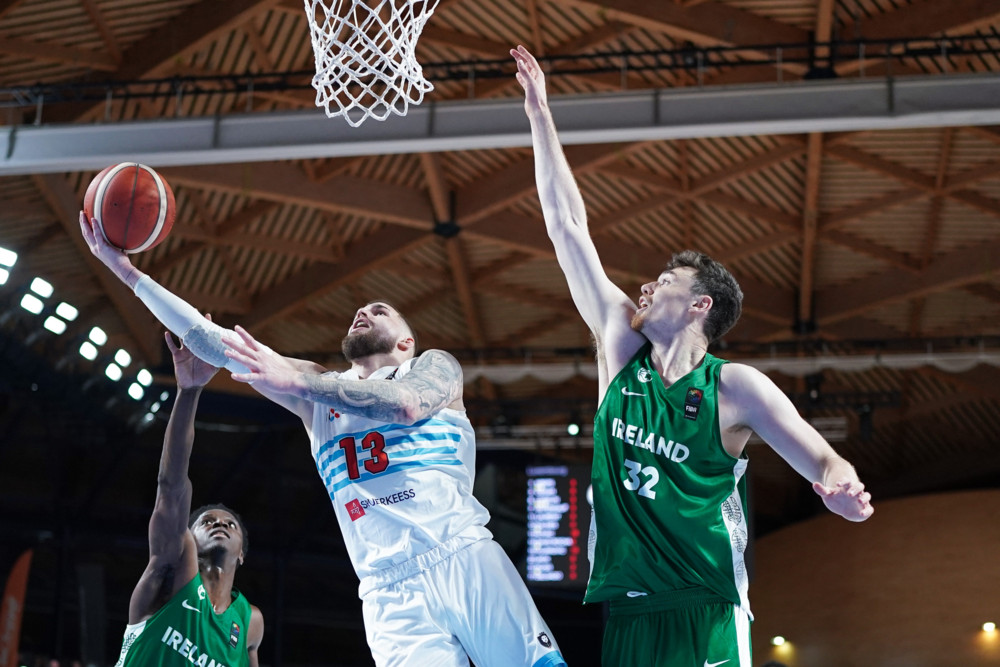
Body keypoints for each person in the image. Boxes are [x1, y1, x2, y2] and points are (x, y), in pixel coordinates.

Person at [511, 45, 874, 667]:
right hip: (628, 605)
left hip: (706, 604)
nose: (645, 289)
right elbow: (566, 225)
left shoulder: (735, 387)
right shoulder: (622, 350)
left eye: (663, 281)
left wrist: (840, 485)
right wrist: (540, 116)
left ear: (700, 305)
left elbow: (820, 455)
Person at [81, 213, 566, 667]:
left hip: (462, 554)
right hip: (386, 591)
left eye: (380, 310)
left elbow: (406, 405)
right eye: (361, 308)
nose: (364, 310)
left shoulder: (431, 367)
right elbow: (211, 340)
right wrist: (127, 273)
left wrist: (296, 384)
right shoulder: (314, 391)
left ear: (405, 342)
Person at [114, 320, 263, 666]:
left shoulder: (250, 623)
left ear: (242, 554)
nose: (219, 524)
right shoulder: (168, 572)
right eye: (206, 520)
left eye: (231, 524)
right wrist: (189, 391)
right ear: (187, 538)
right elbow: (171, 486)